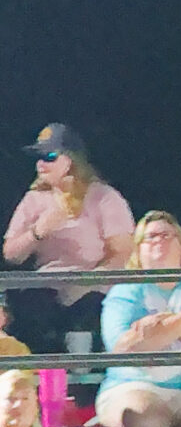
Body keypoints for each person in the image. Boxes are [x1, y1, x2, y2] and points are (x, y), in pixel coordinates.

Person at [3, 125, 136, 355]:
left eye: (50, 157)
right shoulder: (34, 199)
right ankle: (43, 377)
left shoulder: (105, 197)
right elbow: (11, 255)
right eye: (38, 158)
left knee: (90, 308)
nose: (40, 164)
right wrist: (38, 230)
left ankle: (84, 375)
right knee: (30, 306)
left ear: (70, 160)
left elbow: (123, 253)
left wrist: (84, 284)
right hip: (48, 288)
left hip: (96, 288)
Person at [96, 212, 181, 427]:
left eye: (166, 235)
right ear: (138, 250)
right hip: (136, 386)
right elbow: (124, 350)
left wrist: (156, 330)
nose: (158, 240)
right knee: (146, 417)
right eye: (150, 236)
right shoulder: (124, 292)